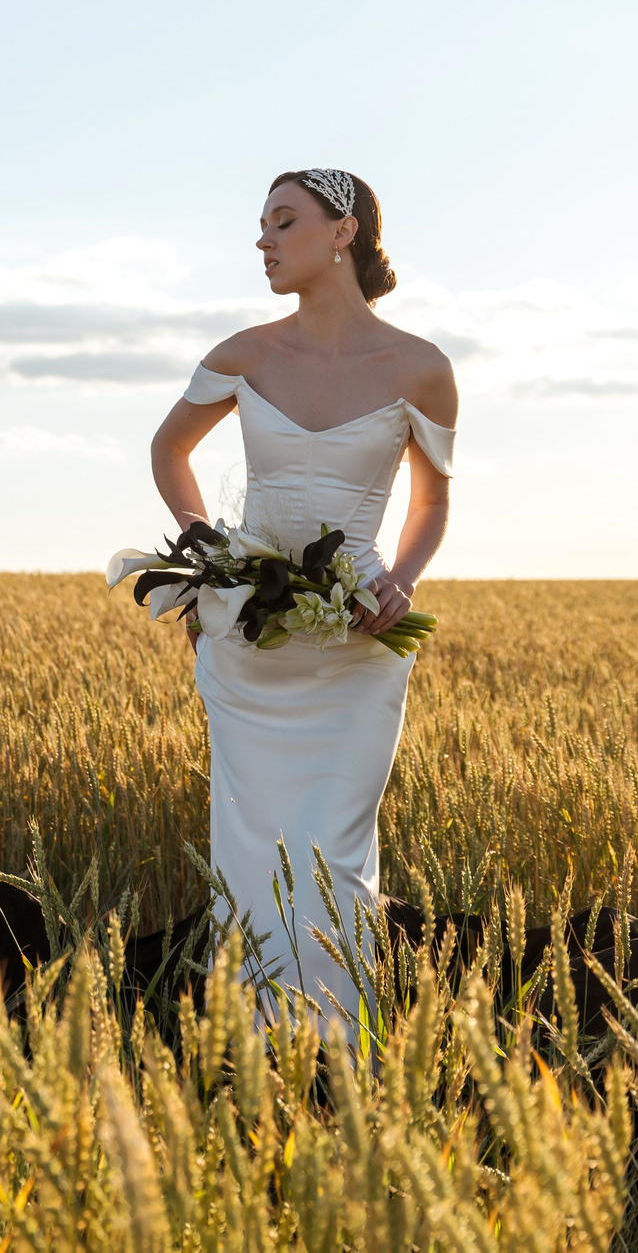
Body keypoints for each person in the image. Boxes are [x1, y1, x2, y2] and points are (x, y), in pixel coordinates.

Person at [146, 168, 456, 1031]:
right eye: (261, 225)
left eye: (285, 221)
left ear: (344, 232)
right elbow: (168, 450)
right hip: (250, 645)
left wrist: (402, 578)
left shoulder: (422, 368)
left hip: (358, 647)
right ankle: (246, 1054)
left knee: (335, 855)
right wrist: (206, 545)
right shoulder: (244, 353)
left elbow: (431, 502)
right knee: (249, 856)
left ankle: (339, 1054)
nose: (265, 240)